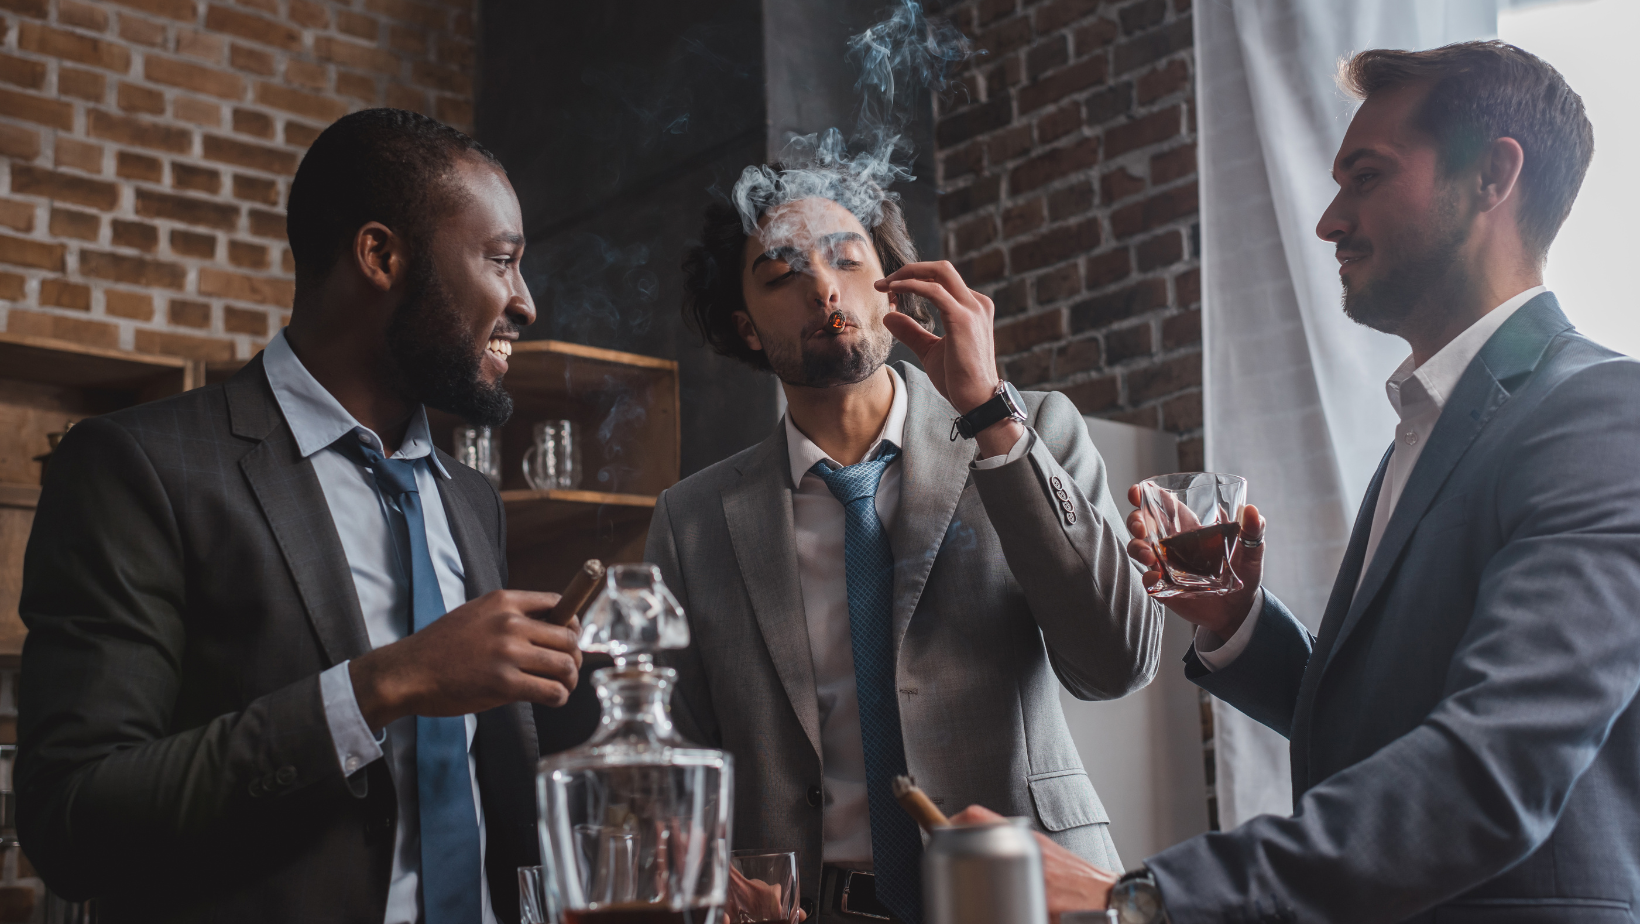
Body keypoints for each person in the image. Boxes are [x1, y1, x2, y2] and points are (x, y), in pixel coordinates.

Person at [1004, 41, 1640, 924]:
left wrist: (1147, 899)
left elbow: (1497, 766)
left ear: (1494, 175)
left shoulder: (1605, 412)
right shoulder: (1424, 429)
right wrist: (1239, 627)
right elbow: (1386, 730)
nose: (1329, 221)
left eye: (1367, 177)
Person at [17, 109, 583, 924]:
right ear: (380, 255)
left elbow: (488, 797)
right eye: (501, 260)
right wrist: (389, 681)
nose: (525, 303)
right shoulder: (137, 467)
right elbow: (72, 821)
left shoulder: (471, 499)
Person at [645, 160, 1164, 924]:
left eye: (847, 257)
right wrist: (706, 869)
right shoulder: (691, 521)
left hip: (1027, 896)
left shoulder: (1033, 430)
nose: (824, 288)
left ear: (892, 282)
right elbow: (673, 761)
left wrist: (991, 416)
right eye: (782, 272)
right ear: (743, 326)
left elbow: (1118, 662)